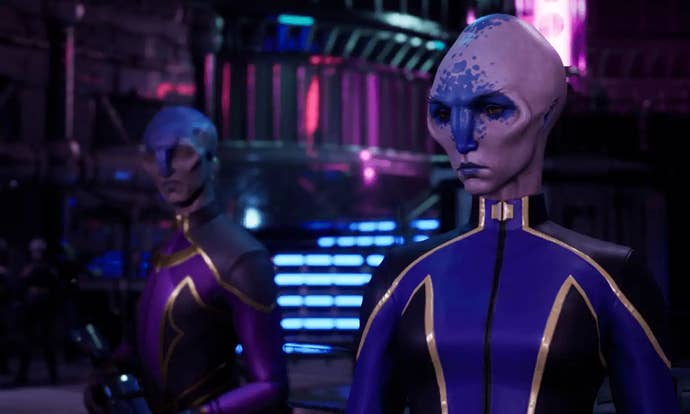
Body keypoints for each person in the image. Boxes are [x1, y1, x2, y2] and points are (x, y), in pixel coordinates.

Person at [347, 14, 679, 414]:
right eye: (443, 114)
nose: (463, 139)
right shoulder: (398, 276)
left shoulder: (610, 277)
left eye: (492, 109)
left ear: (546, 112)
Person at [86, 106, 288, 414]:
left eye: (181, 154)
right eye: (153, 156)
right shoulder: (165, 253)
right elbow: (144, 342)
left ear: (211, 163)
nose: (165, 169)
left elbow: (271, 384)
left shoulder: (241, 257)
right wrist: (111, 371)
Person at [14, 237, 61, 386]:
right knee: (26, 341)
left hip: (46, 308)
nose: (37, 253)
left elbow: (56, 286)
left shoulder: (50, 267)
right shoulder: (27, 267)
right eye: (35, 250)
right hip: (30, 308)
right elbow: (20, 285)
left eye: (40, 250)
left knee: (48, 341)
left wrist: (46, 293)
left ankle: (53, 375)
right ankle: (22, 375)